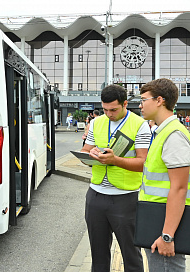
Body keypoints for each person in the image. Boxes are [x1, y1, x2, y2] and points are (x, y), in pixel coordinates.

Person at [81, 84, 151, 272]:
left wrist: (115, 160)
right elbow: (85, 152)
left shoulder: (140, 125)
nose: (109, 114)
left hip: (126, 198)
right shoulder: (96, 122)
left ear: (125, 104)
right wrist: (91, 155)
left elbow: (143, 163)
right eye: (105, 109)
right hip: (95, 196)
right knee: (98, 255)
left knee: (131, 255)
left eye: (113, 109)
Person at [139, 78, 190, 272]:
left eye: (144, 99)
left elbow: (179, 188)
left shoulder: (173, 135)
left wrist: (167, 236)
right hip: (157, 219)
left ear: (159, 100)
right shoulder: (162, 132)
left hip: (166, 226)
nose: (140, 105)